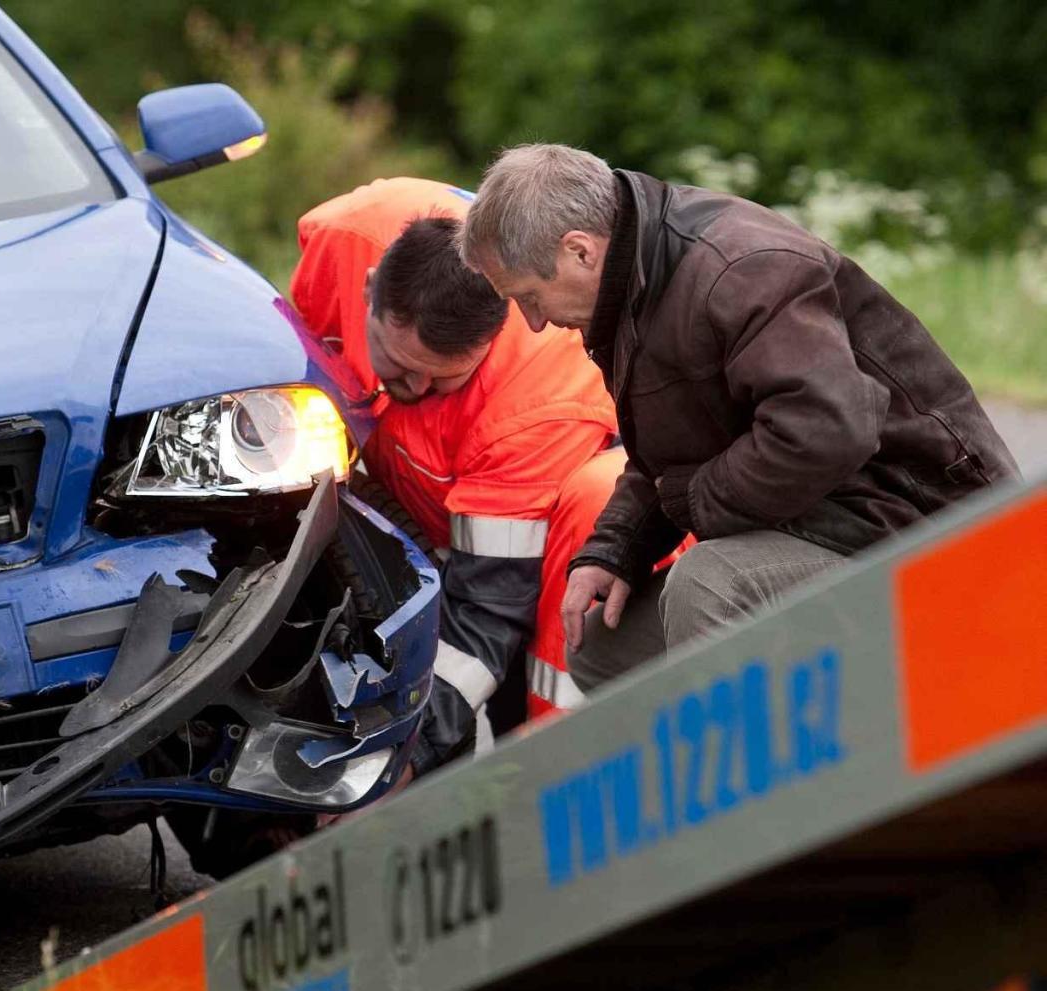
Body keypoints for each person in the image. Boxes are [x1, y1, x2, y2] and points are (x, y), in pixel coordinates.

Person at [458, 144, 1020, 689]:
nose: (532, 323)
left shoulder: (741, 269)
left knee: (710, 584)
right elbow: (670, 452)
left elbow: (827, 430)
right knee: (604, 648)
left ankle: (772, 784)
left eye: (530, 297)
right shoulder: (632, 287)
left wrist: (692, 499)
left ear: (579, 250)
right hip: (823, 520)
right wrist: (616, 549)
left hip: (924, 535)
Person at [290, 178, 622, 777]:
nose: (412, 391)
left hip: (513, 557)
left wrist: (403, 759)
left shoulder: (535, 407)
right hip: (411, 504)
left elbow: (488, 610)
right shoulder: (348, 238)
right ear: (370, 290)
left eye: (442, 381)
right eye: (398, 364)